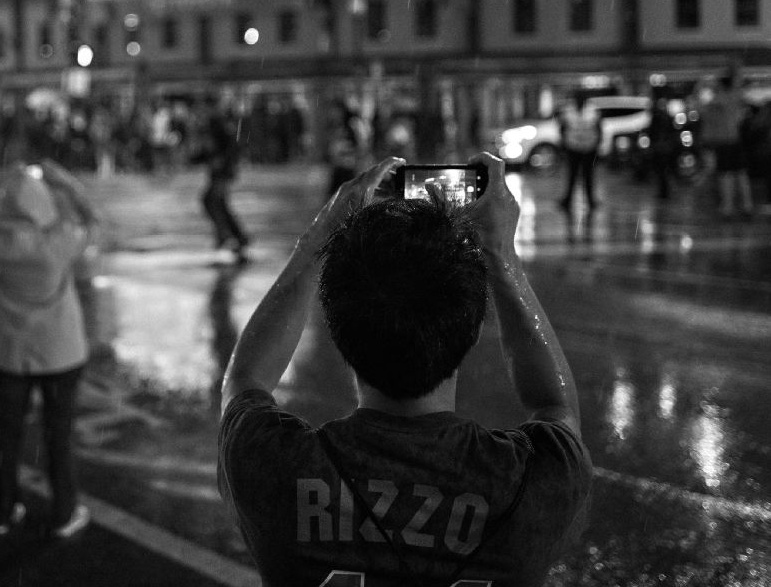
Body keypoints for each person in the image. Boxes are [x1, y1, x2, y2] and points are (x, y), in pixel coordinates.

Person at [218, 154, 591, 586]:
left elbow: (245, 380)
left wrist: (317, 237)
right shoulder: (533, 481)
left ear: (339, 341)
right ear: (470, 334)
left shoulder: (271, 466)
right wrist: (502, 256)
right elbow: (555, 406)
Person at [0, 160, 97, 539]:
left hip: (9, 353)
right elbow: (92, 218)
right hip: (60, 353)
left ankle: (2, 511)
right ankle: (63, 513)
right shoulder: (61, 241)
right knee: (59, 436)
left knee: (8, 434)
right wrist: (65, 181)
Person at [195, 96, 251, 262]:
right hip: (220, 172)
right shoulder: (211, 126)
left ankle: (227, 235)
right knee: (218, 202)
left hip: (223, 172)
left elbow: (231, 147)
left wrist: (223, 162)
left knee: (211, 200)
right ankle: (236, 236)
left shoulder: (218, 125)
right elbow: (208, 152)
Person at [700, 74, 753, 216]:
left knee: (726, 176)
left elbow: (702, 111)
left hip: (724, 143)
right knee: (741, 174)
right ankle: (747, 206)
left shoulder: (716, 101)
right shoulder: (736, 98)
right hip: (735, 141)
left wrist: (701, 85)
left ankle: (727, 207)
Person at [558, 91, 602, 211]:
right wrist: (563, 145)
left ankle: (591, 200)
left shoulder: (593, 110)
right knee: (572, 175)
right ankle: (567, 200)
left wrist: (597, 145)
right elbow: (562, 127)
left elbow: (599, 128)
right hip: (573, 147)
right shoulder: (568, 110)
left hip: (589, 147)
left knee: (588, 175)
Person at [647, 95, 680, 200]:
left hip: (664, 148)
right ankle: (663, 192)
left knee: (664, 171)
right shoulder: (658, 118)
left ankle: (665, 192)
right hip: (661, 148)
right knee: (661, 171)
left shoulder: (665, 118)